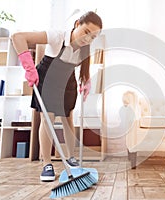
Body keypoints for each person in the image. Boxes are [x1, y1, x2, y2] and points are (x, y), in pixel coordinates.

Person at [11, 11, 103, 181]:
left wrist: (86, 80)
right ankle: (47, 163)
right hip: (47, 78)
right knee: (48, 119)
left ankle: (71, 158)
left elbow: (83, 67)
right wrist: (29, 67)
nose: (87, 39)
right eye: (86, 32)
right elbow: (18, 37)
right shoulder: (57, 36)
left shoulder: (85, 48)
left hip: (68, 81)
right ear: (77, 24)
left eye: (93, 37)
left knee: (68, 118)